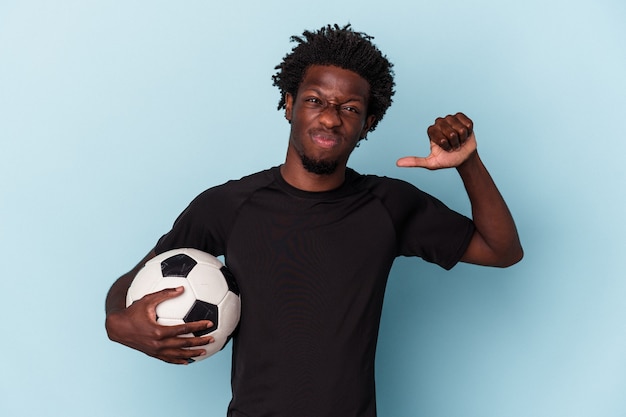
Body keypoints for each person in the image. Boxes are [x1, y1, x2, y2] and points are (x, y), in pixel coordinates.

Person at [105, 24, 523, 417]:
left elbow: (502, 250)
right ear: (289, 104)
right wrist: (119, 324)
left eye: (350, 108)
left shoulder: (389, 205)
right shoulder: (229, 205)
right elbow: (134, 280)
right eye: (314, 100)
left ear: (367, 125)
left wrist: (468, 164)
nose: (329, 117)